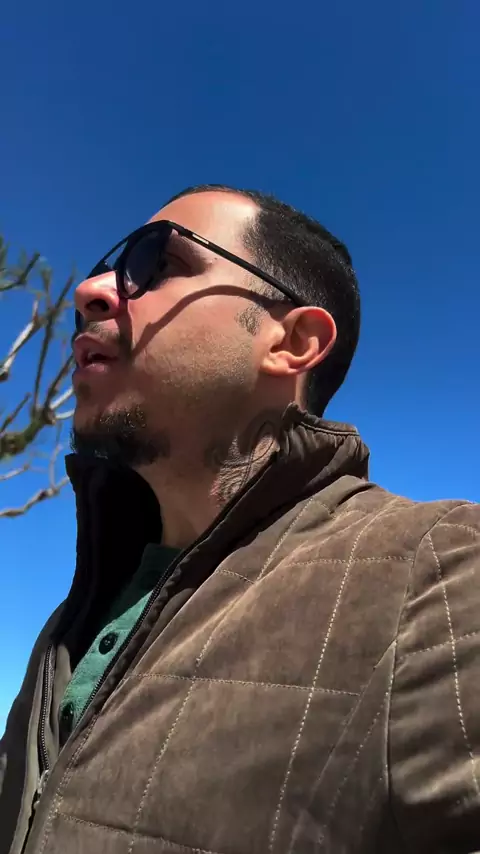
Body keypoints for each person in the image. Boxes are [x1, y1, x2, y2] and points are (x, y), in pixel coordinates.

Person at [1, 185, 479, 854]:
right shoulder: (73, 620)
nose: (90, 291)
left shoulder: (440, 569)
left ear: (293, 342)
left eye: (156, 264)